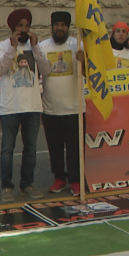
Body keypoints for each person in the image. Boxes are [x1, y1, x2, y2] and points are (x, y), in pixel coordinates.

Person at [0, 9, 50, 202]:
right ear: (13, 28)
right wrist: (12, 47)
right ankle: (6, 187)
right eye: (20, 26)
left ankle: (27, 184)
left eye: (26, 26)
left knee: (30, 149)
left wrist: (35, 48)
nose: (24, 30)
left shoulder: (36, 47)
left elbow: (46, 70)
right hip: (10, 106)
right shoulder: (2, 45)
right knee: (7, 149)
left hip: (32, 106)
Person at [39, 12, 85, 197]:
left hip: (74, 108)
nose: (60, 28)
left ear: (68, 27)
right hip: (50, 108)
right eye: (56, 25)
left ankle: (75, 180)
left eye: (63, 25)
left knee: (74, 148)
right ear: (51, 27)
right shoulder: (42, 47)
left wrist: (85, 60)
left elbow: (91, 73)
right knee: (55, 147)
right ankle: (59, 178)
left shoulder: (78, 45)